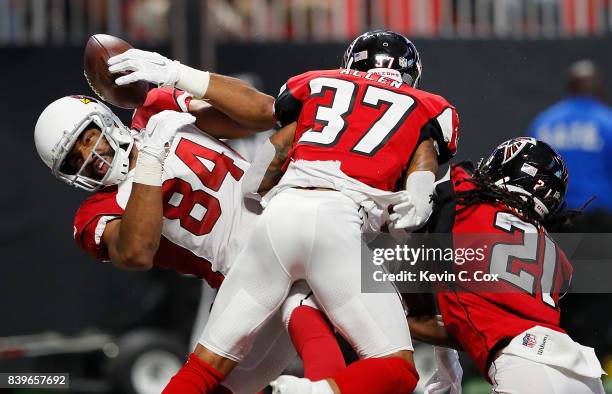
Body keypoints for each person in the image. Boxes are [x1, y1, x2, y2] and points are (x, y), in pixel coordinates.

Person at [106, 29, 460, 393]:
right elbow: (425, 170)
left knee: (203, 371)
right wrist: (418, 197)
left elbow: (272, 151)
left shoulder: (316, 84)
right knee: (397, 369)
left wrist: (268, 195)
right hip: (338, 226)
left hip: (275, 225)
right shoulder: (430, 108)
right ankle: (307, 391)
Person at [33, 88, 343, 393]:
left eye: (87, 139)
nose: (89, 156)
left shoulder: (157, 114)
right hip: (245, 281)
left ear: (106, 120)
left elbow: (264, 113)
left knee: (370, 348)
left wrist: (178, 73)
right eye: (74, 160)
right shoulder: (95, 213)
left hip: (296, 226)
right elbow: (136, 252)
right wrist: (151, 161)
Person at [408, 137, 605, 393]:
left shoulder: (465, 203)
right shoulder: (556, 254)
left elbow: (427, 191)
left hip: (524, 368)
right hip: (581, 370)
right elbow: (489, 325)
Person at [528, 60, 612, 212]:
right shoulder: (608, 122)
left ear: (569, 87)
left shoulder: (545, 122)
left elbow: (531, 170)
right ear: (599, 87)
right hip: (601, 213)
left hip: (556, 212)